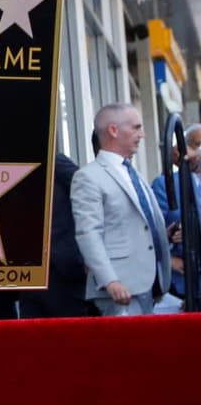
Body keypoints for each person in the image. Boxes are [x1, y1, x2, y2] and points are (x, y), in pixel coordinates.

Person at [71, 103, 172, 316]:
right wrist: (110, 280)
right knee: (128, 348)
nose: (142, 134)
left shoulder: (131, 172)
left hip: (148, 285)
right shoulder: (89, 176)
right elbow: (88, 233)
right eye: (135, 127)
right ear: (113, 130)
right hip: (120, 290)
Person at [19, 152, 91, 318]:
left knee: (70, 336)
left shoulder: (52, 159)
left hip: (61, 267)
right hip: (29, 272)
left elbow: (86, 189)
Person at [150, 122, 201, 300]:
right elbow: (153, 232)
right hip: (182, 283)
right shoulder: (165, 184)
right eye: (197, 145)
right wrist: (169, 260)